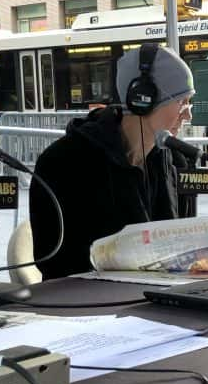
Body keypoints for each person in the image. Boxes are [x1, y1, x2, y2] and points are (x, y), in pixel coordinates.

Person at [29, 43, 192, 279]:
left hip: (150, 295)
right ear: (142, 98)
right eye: (182, 102)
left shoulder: (165, 157)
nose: (188, 114)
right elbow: (56, 262)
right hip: (88, 303)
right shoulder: (63, 162)